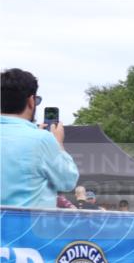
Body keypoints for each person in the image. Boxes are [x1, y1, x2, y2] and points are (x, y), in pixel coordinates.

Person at [0, 68, 78, 208]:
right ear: (31, 101)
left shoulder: (39, 139)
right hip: (27, 228)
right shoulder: (42, 139)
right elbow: (67, 181)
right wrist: (58, 144)